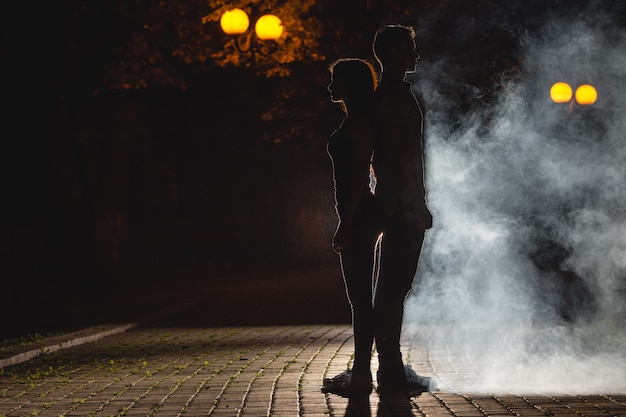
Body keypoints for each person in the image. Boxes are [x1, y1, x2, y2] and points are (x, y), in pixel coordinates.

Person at [371, 24, 433, 392]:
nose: (417, 55)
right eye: (410, 47)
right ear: (392, 52)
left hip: (395, 202)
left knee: (392, 287)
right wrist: (416, 202)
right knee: (394, 286)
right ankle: (390, 370)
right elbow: (401, 156)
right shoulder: (394, 98)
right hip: (400, 205)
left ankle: (389, 366)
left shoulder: (389, 95)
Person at [322, 58, 384, 395]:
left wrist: (346, 223)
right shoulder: (353, 121)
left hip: (360, 216)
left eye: (336, 80)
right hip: (359, 214)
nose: (331, 86)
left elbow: (361, 174)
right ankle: (361, 370)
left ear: (351, 85)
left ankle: (362, 374)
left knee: (361, 298)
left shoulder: (359, 124)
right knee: (360, 297)